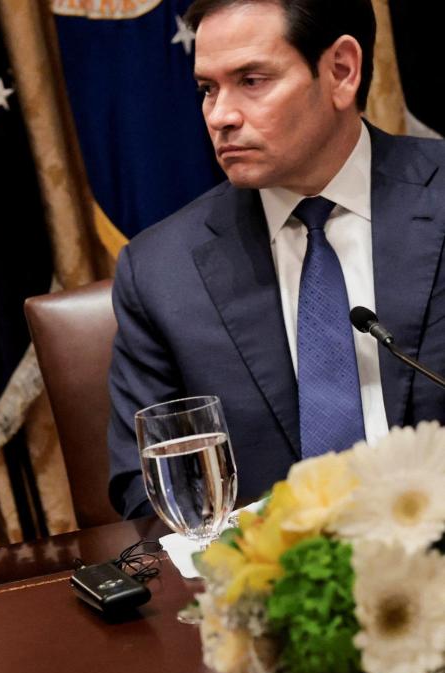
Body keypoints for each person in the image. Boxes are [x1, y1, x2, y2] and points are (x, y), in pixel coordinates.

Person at [106, 0, 445, 517]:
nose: (220, 116)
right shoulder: (159, 272)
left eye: (252, 80)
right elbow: (144, 487)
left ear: (341, 72)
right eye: (207, 89)